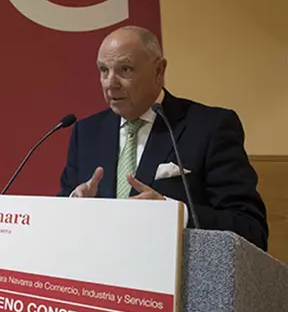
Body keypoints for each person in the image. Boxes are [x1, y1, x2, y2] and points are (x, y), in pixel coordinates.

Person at [58, 26, 268, 251]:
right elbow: (58, 216)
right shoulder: (86, 132)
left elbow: (251, 229)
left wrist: (175, 214)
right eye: (103, 70)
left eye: (125, 69)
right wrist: (73, 204)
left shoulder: (210, 127)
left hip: (178, 278)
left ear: (159, 70)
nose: (110, 83)